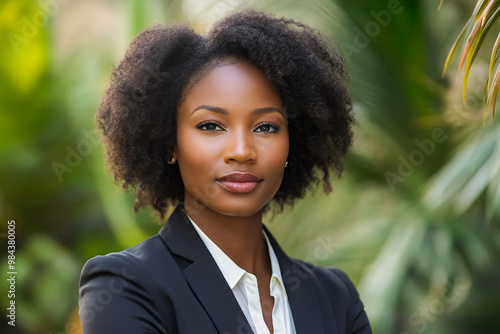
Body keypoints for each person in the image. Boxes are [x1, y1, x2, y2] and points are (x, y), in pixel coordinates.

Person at [78, 9, 371, 334]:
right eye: (211, 125)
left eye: (266, 127)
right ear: (170, 142)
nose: (242, 151)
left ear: (294, 141)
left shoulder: (335, 297)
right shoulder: (125, 286)